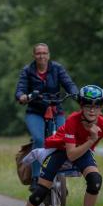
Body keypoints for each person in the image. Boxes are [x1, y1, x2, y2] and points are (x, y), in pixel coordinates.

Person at [15, 43, 78, 191]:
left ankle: (60, 177)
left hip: (56, 110)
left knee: (63, 139)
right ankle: (36, 178)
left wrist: (77, 94)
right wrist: (23, 96)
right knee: (39, 140)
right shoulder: (27, 71)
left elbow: (69, 84)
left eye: (44, 53)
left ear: (48, 55)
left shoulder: (57, 68)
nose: (41, 56)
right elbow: (20, 90)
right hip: (35, 112)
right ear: (34, 56)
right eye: (38, 53)